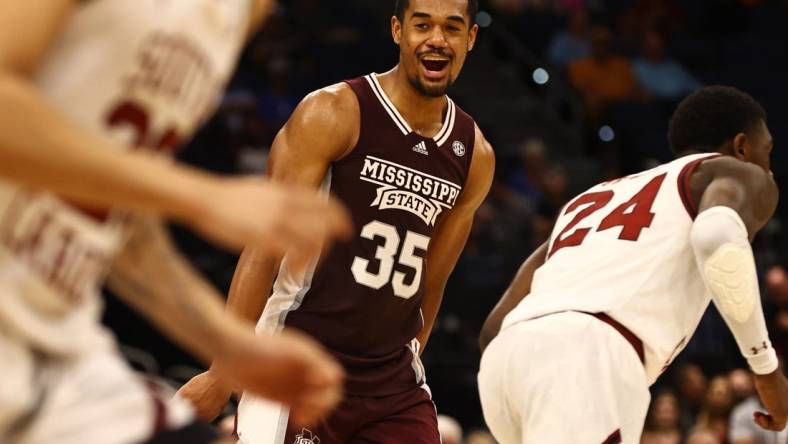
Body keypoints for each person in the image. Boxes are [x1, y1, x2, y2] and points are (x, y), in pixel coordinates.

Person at [0, 1, 352, 443]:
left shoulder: (240, 16)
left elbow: (113, 218)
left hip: (52, 350)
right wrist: (200, 197)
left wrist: (231, 344)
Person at [178, 0, 495, 442]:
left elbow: (432, 283)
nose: (437, 40)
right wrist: (223, 370)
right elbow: (263, 246)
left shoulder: (475, 155)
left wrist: (405, 354)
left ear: (470, 39)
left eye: (452, 28)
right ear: (397, 30)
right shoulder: (333, 112)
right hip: (299, 351)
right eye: (422, 25)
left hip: (391, 382)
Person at [478, 86, 788, 444]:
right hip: (588, 356)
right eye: (768, 151)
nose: (769, 167)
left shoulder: (590, 199)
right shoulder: (736, 173)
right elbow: (716, 235)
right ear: (742, 147)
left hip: (505, 364)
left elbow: (492, 328)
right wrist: (765, 368)